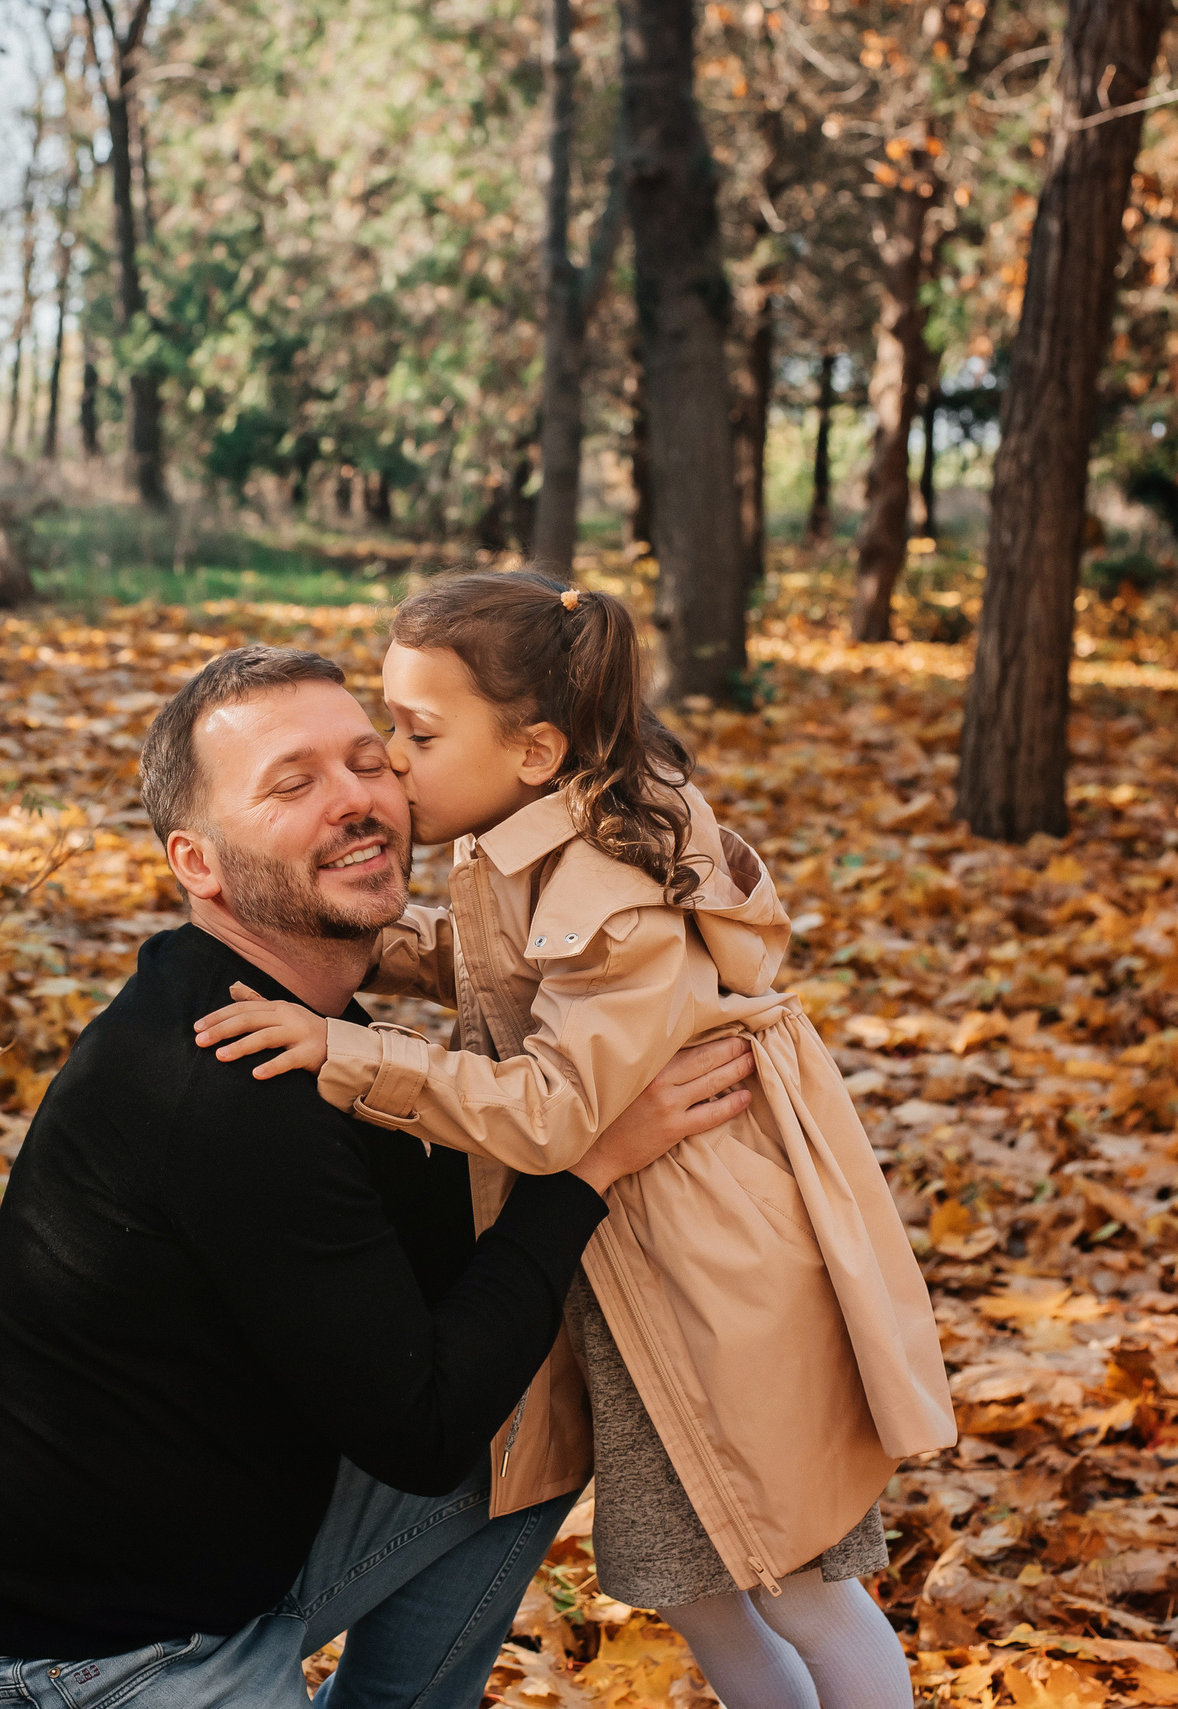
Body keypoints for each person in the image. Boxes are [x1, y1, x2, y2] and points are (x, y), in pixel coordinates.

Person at [0, 643, 761, 1709]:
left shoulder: (310, 1031)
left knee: (527, 1400)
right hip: (77, 1661)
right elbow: (422, 1423)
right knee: (486, 1387)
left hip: (228, 1572)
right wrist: (585, 1168)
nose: (357, 800)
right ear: (198, 866)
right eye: (293, 784)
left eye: (369, 759)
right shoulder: (222, 1086)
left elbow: (453, 1292)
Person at [194, 571, 957, 1709]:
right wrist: (336, 931)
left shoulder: (610, 889)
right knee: (695, 1578)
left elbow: (553, 1104)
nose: (390, 764)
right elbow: (500, 969)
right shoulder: (519, 841)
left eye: (415, 733)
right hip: (631, 1277)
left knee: (794, 1575)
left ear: (536, 750)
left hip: (713, 1281)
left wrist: (340, 1049)